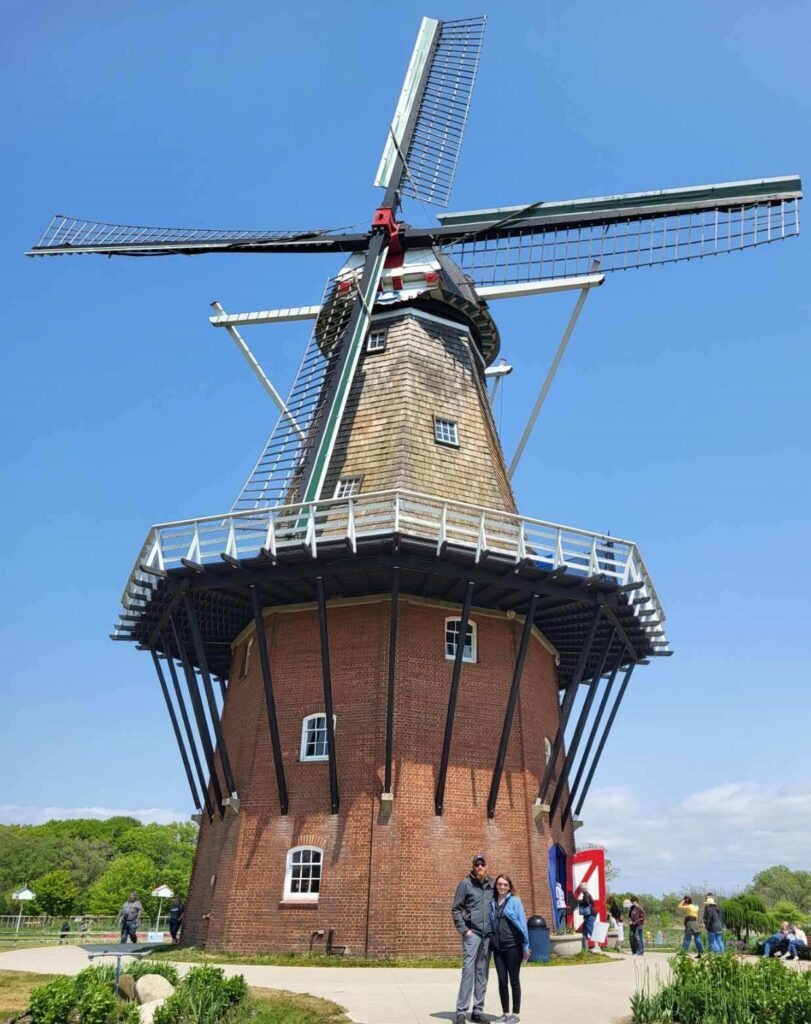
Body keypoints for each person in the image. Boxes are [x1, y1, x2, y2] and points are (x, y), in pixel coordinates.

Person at [452, 854, 494, 1024]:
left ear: (486, 866)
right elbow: (456, 909)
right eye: (477, 865)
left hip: (487, 935)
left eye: (482, 864)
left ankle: (478, 1010)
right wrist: (464, 930)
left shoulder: (492, 884)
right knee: (468, 972)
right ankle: (461, 1012)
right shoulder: (465, 884)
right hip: (473, 934)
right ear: (473, 867)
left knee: (482, 972)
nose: (479, 867)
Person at [489, 875, 530, 1024]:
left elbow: (523, 924)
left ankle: (515, 1014)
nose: (502, 887)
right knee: (501, 981)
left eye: (505, 885)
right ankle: (506, 1013)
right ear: (496, 886)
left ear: (509, 886)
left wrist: (526, 945)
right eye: (500, 884)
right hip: (498, 948)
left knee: (514, 980)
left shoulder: (515, 901)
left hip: (513, 946)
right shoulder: (493, 902)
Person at [576, 883, 597, 951]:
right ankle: (585, 946)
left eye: (580, 888)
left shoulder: (585, 895)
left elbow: (587, 903)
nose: (580, 890)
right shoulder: (588, 894)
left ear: (582, 889)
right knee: (584, 929)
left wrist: (580, 902)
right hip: (591, 914)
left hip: (589, 915)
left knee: (591, 930)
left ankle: (597, 946)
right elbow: (592, 903)